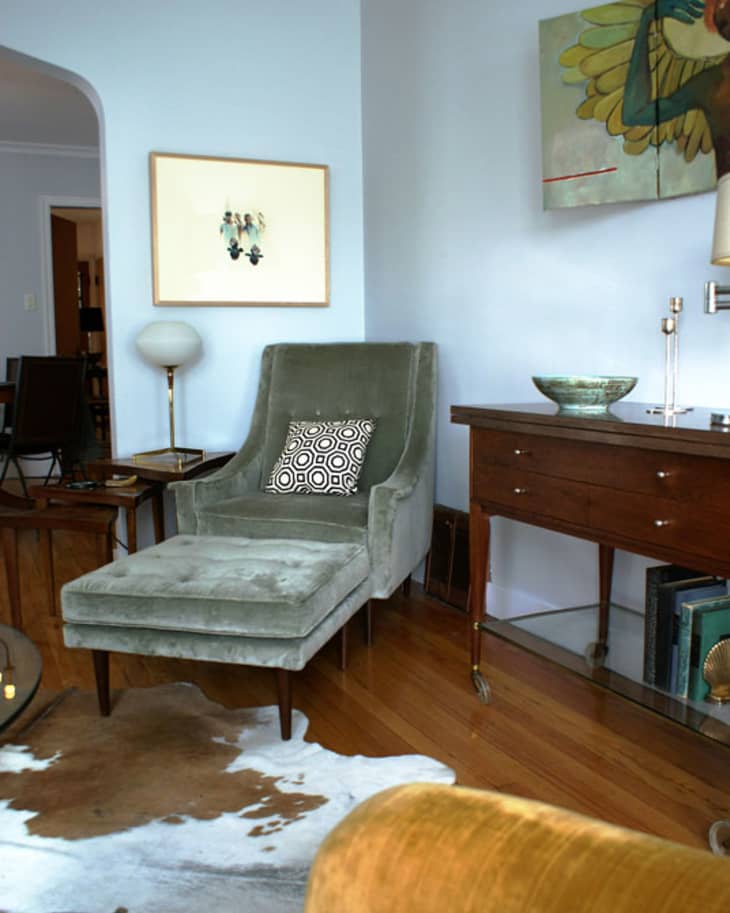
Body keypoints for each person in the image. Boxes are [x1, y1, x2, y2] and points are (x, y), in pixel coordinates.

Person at [623, 0, 730, 177]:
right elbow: (635, 113)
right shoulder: (711, 83)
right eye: (717, 3)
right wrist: (646, 21)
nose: (722, 7)